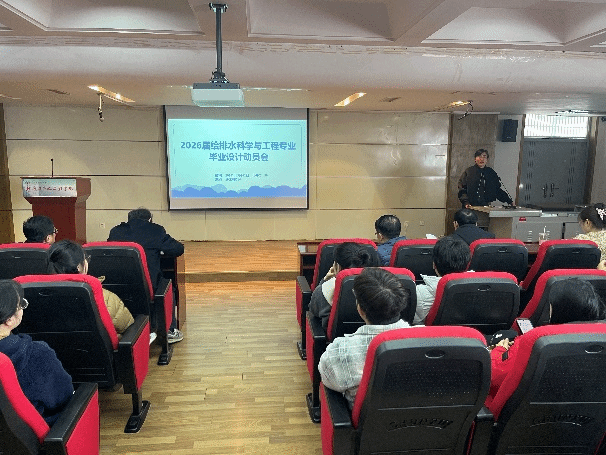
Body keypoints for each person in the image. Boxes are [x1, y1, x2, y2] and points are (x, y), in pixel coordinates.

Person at [488, 278, 605, 400]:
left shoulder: (536, 342)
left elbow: (493, 376)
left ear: (558, 310)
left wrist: (499, 350)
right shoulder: (600, 340)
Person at [318, 268, 413, 408]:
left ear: (360, 310)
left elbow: (327, 379)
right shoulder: (429, 342)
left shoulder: (340, 352)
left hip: (363, 420)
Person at [0, 279, 74, 425]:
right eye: (21, 305)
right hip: (45, 431)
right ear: (9, 320)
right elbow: (63, 397)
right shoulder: (36, 354)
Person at [108, 208, 185, 343]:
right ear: (149, 219)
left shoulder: (116, 231)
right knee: (168, 286)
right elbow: (178, 249)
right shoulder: (155, 230)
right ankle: (169, 331)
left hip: (121, 288)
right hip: (148, 288)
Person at [47, 240, 134, 336]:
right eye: (86, 259)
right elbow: (127, 326)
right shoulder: (105, 298)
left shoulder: (40, 296)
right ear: (79, 267)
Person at [309, 242, 380, 330]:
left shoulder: (326, 288)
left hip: (336, 336)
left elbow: (313, 308)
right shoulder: (380, 285)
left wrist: (324, 281)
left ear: (337, 266)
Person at [414, 236, 471, 325]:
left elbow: (414, 321)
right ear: (467, 265)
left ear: (434, 265)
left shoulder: (420, 293)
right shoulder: (479, 285)